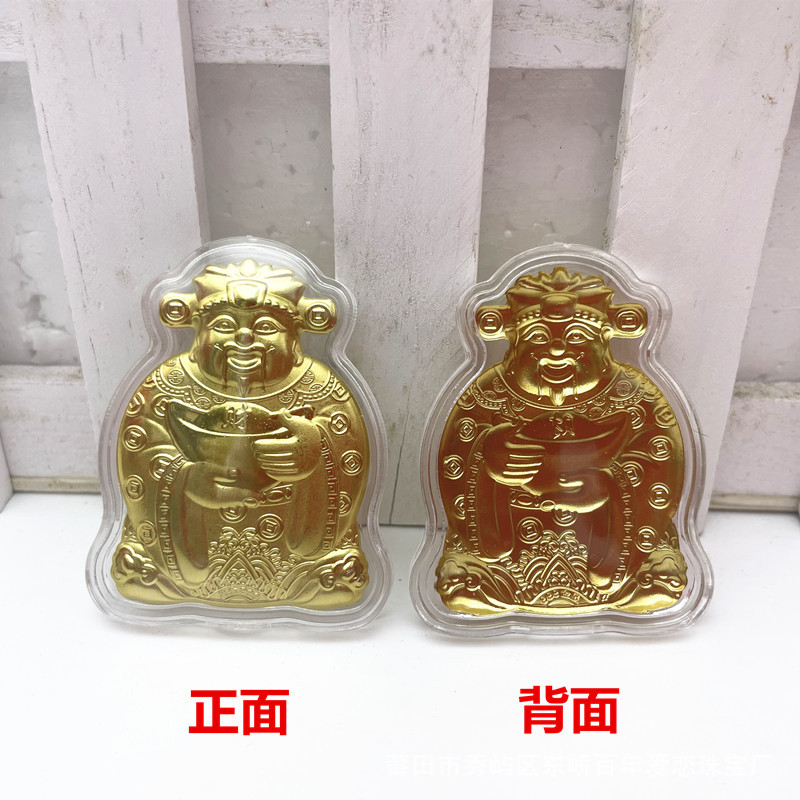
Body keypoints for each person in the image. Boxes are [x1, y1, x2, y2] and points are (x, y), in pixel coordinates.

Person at [113, 259, 368, 608]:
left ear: (294, 340)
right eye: (223, 325)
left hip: (292, 553)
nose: (244, 337)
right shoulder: (168, 382)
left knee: (337, 583)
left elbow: (348, 451)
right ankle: (179, 580)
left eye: (265, 326)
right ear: (198, 334)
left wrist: (315, 448)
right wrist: (185, 479)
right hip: (191, 546)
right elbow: (140, 454)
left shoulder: (320, 386)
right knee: (140, 575)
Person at [436, 267, 687, 614]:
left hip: (612, 545)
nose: (556, 349)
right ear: (515, 344)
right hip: (513, 544)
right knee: (464, 581)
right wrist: (487, 456)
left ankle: (620, 581)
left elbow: (661, 467)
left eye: (576, 337)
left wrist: (608, 487)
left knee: (656, 575)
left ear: (603, 343)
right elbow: (456, 458)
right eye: (538, 337)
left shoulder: (635, 396)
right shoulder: (488, 395)